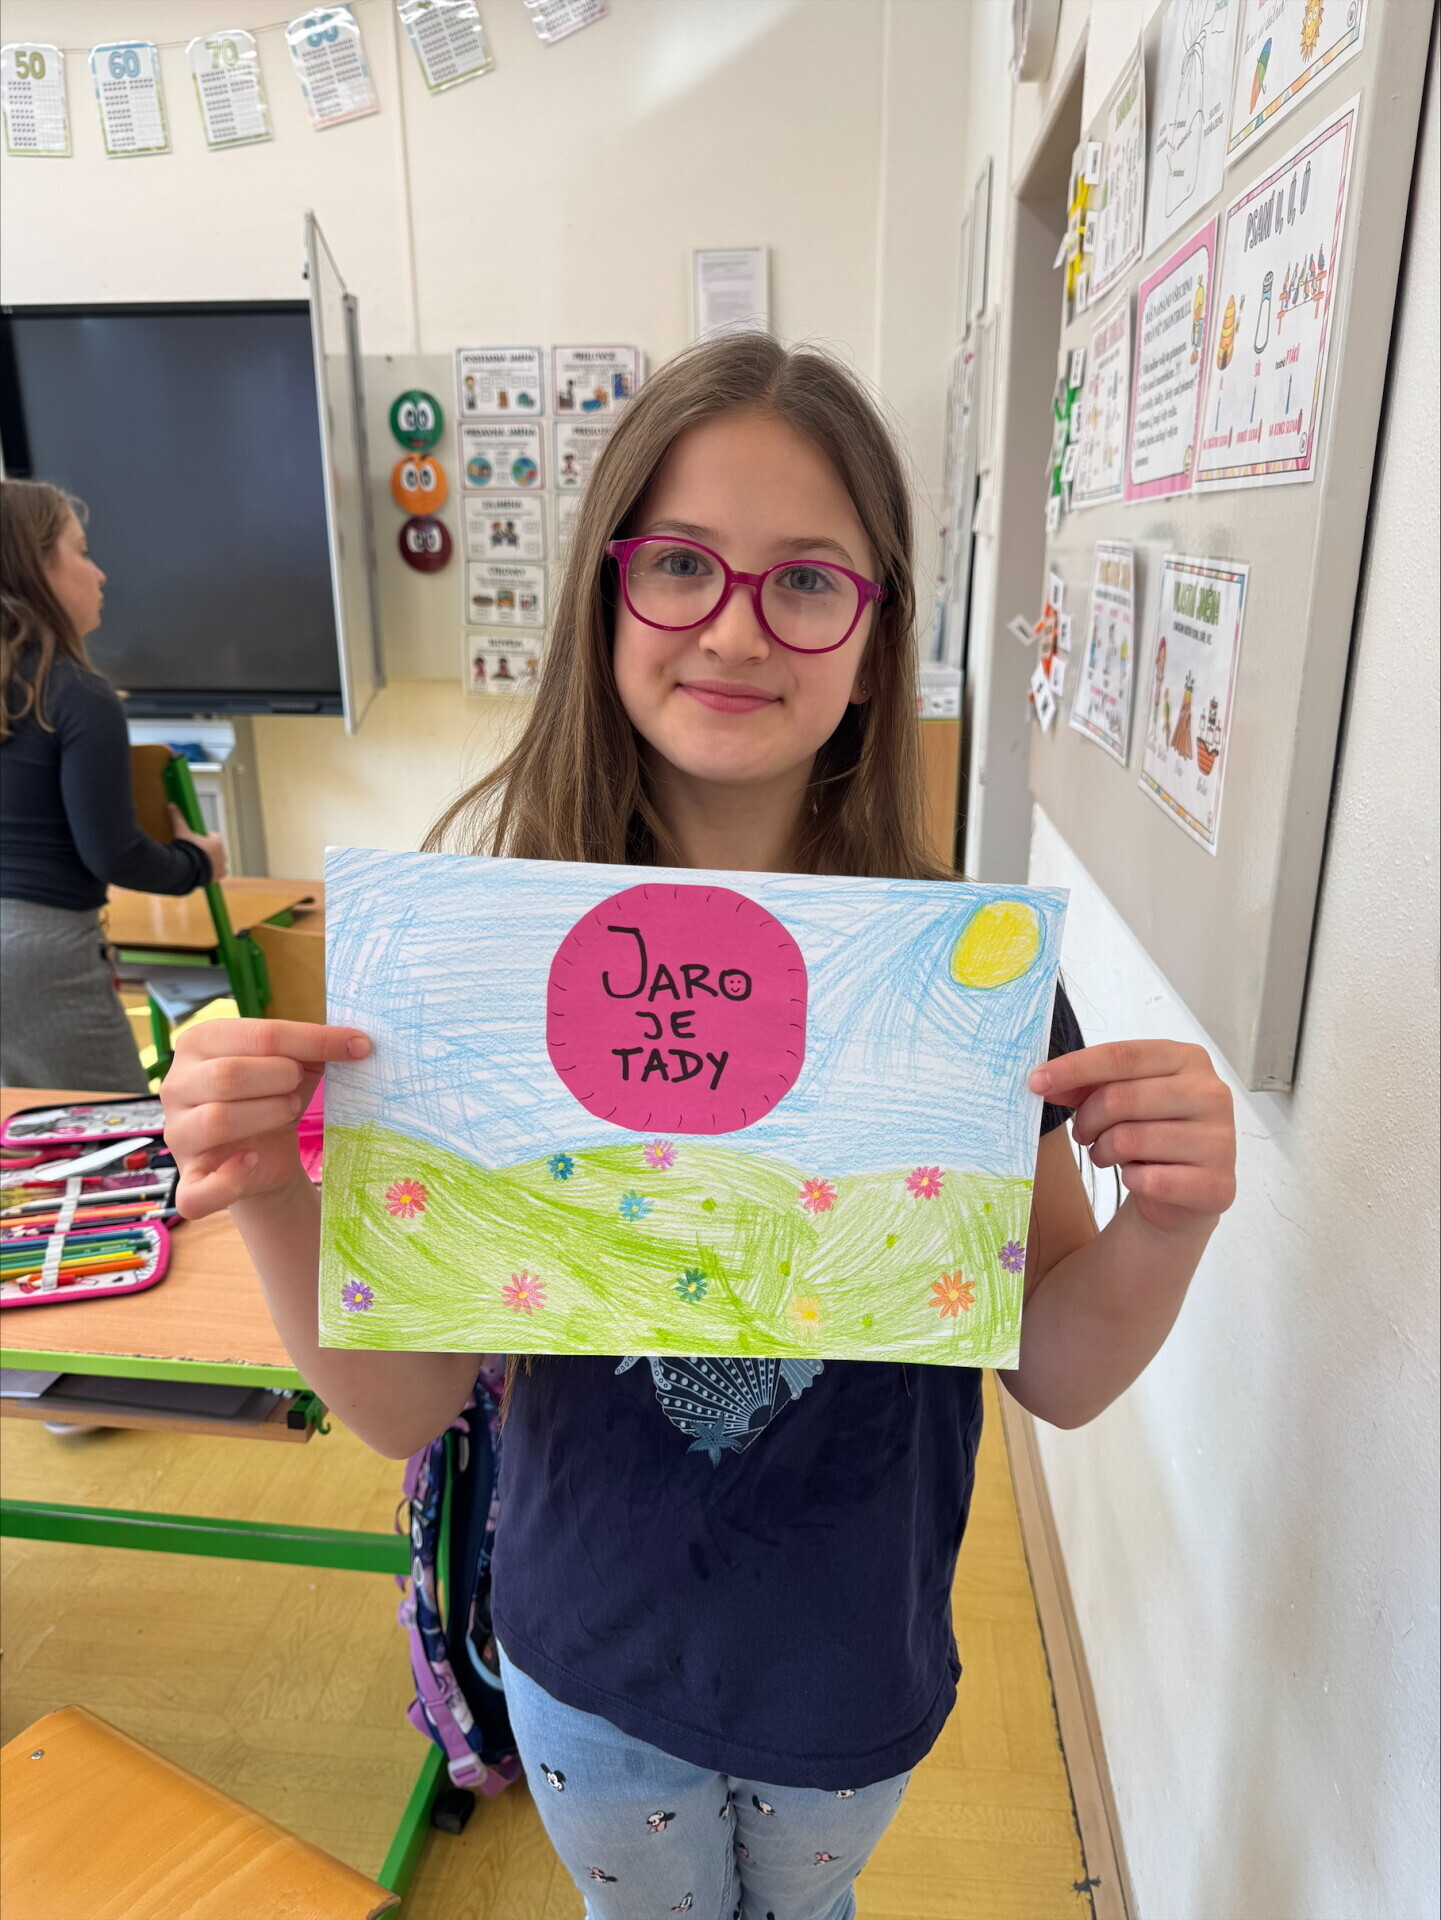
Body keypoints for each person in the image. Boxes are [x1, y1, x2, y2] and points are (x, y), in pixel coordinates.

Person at [160, 337, 1236, 1920]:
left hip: (848, 1661)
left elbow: (1056, 1368)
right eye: (679, 564)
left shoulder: (959, 983)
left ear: (874, 638)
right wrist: (263, 1184)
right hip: (591, 1654)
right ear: (606, 597)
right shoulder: (479, 965)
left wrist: (1168, 1222)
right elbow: (407, 1404)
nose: (734, 626)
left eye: (805, 580)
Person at [1, 480, 227, 1092]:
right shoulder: (78, 693)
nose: (99, 573)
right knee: (111, 1129)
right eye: (81, 551)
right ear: (34, 568)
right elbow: (114, 853)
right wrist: (198, 863)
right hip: (40, 957)